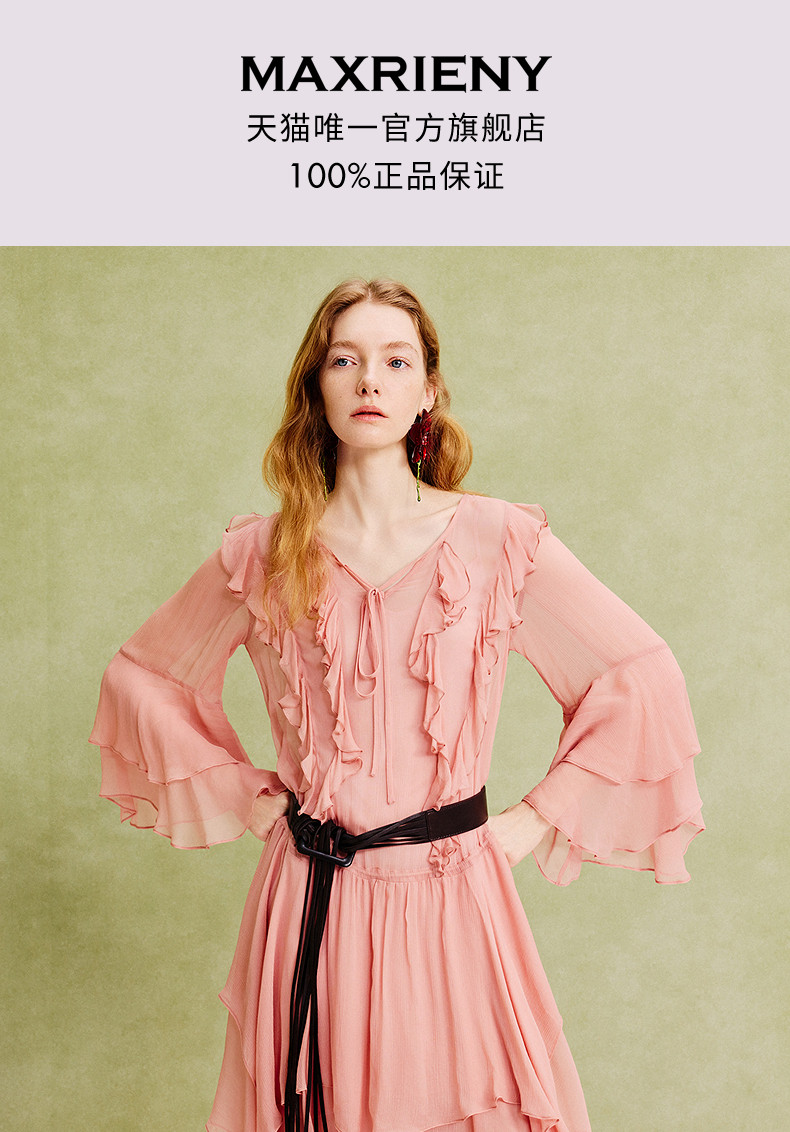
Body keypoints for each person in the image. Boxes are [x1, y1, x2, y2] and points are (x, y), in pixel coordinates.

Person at [90, 278, 704, 1132]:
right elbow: (143, 679)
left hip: (453, 894)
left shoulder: (498, 541)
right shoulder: (264, 551)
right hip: (311, 897)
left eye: (395, 361)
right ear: (317, 387)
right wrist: (251, 797)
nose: (370, 380)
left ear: (429, 391)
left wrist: (535, 818)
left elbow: (638, 676)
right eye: (345, 361)